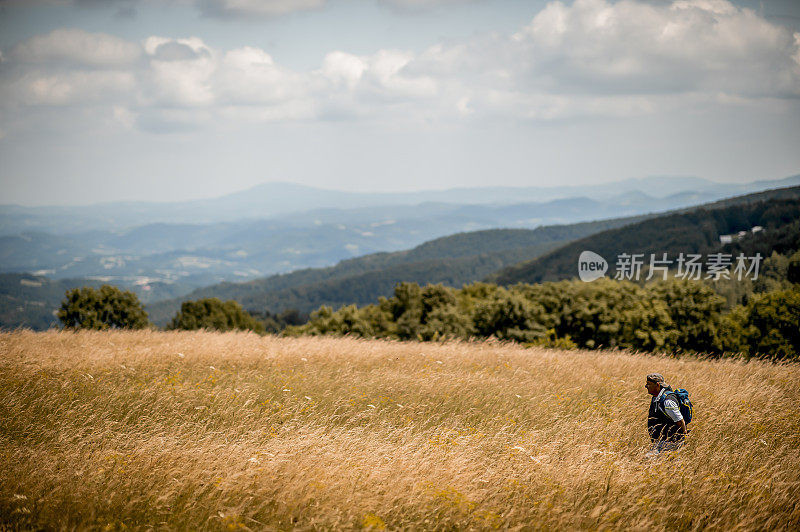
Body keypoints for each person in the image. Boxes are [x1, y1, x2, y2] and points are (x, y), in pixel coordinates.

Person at [644, 373, 687, 456]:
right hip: (661, 443)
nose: (646, 386)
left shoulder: (668, 401)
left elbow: (680, 421)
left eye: (649, 384)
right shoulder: (656, 397)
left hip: (670, 443)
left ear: (657, 385)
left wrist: (680, 441)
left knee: (647, 460)